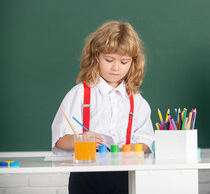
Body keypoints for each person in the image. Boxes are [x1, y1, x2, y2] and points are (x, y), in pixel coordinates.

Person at [51, 21, 154, 194]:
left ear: (133, 63)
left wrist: (132, 148)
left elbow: (146, 142)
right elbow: (60, 141)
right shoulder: (79, 95)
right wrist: (81, 138)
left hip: (125, 175)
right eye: (109, 60)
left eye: (124, 61)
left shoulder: (137, 102)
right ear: (96, 56)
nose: (115, 67)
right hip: (85, 175)